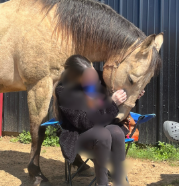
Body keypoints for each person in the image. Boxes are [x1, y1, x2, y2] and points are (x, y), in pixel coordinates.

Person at [55, 55, 129, 186]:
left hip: (99, 127)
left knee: (116, 132)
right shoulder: (64, 91)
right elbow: (84, 122)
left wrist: (131, 94)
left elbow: (116, 96)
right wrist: (111, 103)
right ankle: (102, 183)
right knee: (103, 135)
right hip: (78, 134)